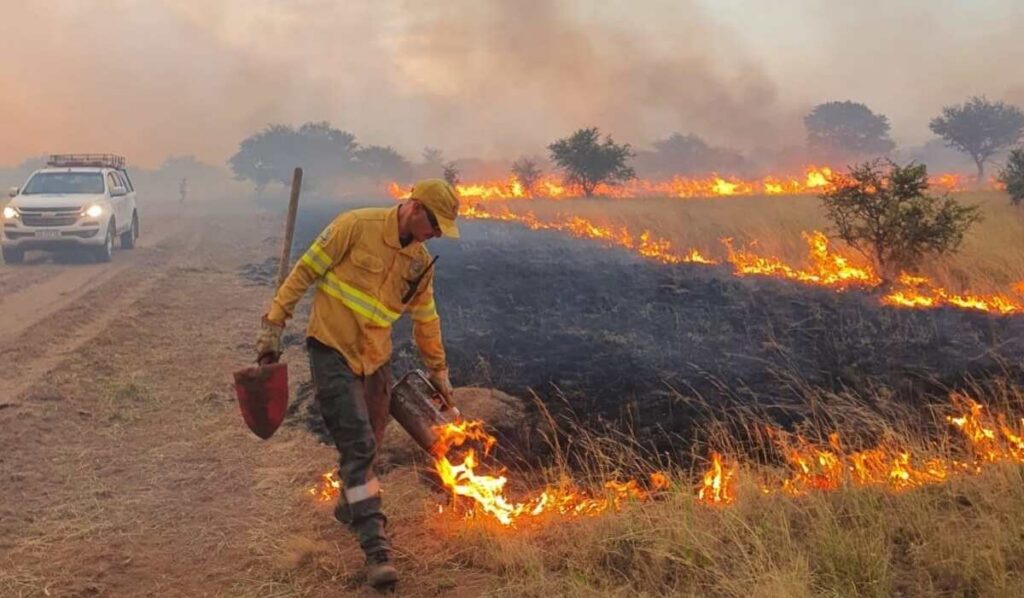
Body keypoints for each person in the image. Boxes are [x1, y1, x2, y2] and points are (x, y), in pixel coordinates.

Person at [255, 179, 459, 589]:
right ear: (415, 208)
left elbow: (426, 321)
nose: (436, 235)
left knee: (371, 442)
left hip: (375, 357)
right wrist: (273, 327)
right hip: (331, 347)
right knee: (359, 444)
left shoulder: (419, 263)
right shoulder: (355, 225)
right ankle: (376, 550)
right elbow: (302, 273)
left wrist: (439, 373)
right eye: (435, 225)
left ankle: (351, 504)